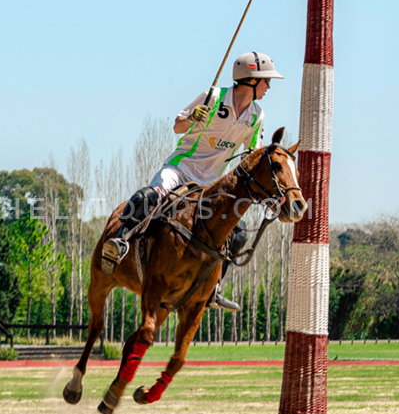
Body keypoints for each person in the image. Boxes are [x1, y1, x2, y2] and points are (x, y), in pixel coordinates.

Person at [100, 51, 284, 311]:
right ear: (251, 80)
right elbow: (177, 126)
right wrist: (191, 118)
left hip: (210, 183)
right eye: (267, 81)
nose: (269, 87)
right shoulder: (214, 97)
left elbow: (250, 156)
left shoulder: (257, 115)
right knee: (148, 197)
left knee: (239, 233)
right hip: (182, 168)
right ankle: (119, 243)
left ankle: (215, 288)